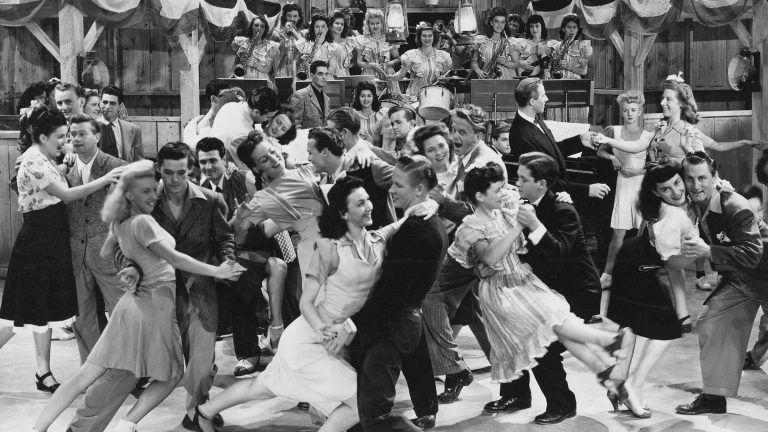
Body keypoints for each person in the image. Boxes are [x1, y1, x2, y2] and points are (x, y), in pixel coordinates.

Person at [33, 160, 245, 432]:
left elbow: (106, 251)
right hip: (153, 306)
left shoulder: (120, 221)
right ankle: (126, 424)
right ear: (130, 194)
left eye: (153, 189)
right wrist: (217, 271)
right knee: (171, 376)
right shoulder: (143, 221)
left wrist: (135, 265)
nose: (153, 195)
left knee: (86, 375)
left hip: (133, 306)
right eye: (145, 191)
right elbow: (175, 259)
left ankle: (39, 428)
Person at [195, 176, 409, 432]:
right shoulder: (328, 249)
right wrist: (324, 330)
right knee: (362, 400)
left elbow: (398, 225)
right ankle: (202, 414)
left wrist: (422, 207)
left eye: (368, 200)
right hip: (307, 342)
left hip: (329, 342)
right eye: (360, 203)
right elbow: (306, 302)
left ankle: (204, 412)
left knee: (261, 387)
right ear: (343, 213)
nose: (370, 206)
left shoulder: (376, 240)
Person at [454, 162, 633, 420]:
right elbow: (489, 256)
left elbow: (542, 227)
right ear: (481, 196)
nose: (510, 189)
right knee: (519, 343)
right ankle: (524, 393)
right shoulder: (477, 223)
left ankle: (576, 387)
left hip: (536, 283)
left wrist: (562, 197)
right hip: (502, 291)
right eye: (499, 188)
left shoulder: (523, 207)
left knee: (544, 336)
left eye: (513, 183)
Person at [0, 107, 123, 392]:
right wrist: (105, 179)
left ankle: (43, 372)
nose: (65, 141)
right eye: (60, 136)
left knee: (40, 314)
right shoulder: (32, 160)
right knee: (20, 314)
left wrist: (67, 156)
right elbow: (66, 195)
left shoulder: (44, 156)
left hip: (51, 241)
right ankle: (43, 372)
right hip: (37, 243)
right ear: (43, 137)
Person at [481, 153, 601, 423]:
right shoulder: (526, 205)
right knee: (513, 329)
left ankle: (563, 404)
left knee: (542, 344)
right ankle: (516, 395)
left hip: (576, 293)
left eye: (524, 179)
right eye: (518, 178)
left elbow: (559, 253)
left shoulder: (563, 210)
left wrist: (534, 224)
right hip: (544, 289)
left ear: (542, 184)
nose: (517, 183)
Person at [351, 155, 446, 432]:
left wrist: (357, 321)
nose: (391, 190)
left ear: (419, 189)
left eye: (399, 185)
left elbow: (391, 291)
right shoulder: (424, 222)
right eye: (392, 183)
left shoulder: (416, 230)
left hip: (391, 325)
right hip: (401, 321)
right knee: (371, 416)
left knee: (375, 417)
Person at [675, 151, 768, 415]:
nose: (696, 185)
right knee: (711, 322)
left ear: (714, 177)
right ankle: (714, 397)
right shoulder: (695, 202)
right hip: (744, 278)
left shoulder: (734, 205)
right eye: (690, 179)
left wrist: (708, 251)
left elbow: (751, 254)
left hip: (762, 271)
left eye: (702, 178)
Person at [607, 161, 697, 418]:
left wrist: (682, 308)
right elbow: (673, 265)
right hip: (638, 268)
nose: (676, 191)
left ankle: (617, 383)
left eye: (677, 183)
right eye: (666, 189)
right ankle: (631, 386)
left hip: (633, 260)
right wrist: (682, 310)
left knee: (634, 328)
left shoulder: (671, 207)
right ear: (656, 192)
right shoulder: (674, 217)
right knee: (666, 330)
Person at [196, 137, 288, 376]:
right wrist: (236, 224)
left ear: (224, 159)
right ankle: (248, 349)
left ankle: (250, 350)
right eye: (203, 162)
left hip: (256, 243)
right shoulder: (198, 189)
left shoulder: (244, 179)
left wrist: (244, 222)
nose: (208, 167)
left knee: (240, 275)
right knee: (231, 276)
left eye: (213, 161)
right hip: (223, 249)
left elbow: (267, 213)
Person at [64, 114, 128, 362]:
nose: (76, 139)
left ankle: (132, 370)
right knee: (83, 318)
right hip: (76, 255)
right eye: (72, 134)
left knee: (124, 312)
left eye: (82, 133)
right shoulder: (64, 170)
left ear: (97, 137)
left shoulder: (116, 166)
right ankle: (91, 369)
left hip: (110, 254)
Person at [509, 77, 609, 203]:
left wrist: (580, 141)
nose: (547, 99)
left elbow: (551, 152)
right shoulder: (521, 135)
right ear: (532, 101)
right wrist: (586, 190)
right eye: (543, 95)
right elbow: (543, 180)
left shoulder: (534, 119)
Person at [595, 91, 651, 304]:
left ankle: (639, 271)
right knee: (618, 233)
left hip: (641, 185)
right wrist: (611, 157)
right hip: (623, 184)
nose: (629, 114)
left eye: (633, 110)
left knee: (642, 232)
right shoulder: (613, 130)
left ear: (640, 112)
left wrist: (638, 171)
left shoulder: (647, 135)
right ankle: (607, 275)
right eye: (626, 110)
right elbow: (600, 151)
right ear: (622, 111)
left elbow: (652, 163)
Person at [326, 108, 396, 229]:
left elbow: (408, 177)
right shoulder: (348, 155)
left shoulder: (369, 160)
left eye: (332, 132)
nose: (329, 137)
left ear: (344, 133)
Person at [210, 87, 281, 168]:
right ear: (256, 112)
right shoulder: (244, 134)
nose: (267, 121)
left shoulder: (230, 105)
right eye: (267, 117)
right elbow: (249, 171)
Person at [393, 22, 452, 98]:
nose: (427, 38)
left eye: (430, 36)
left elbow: (447, 78)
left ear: (434, 37)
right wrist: (389, 77)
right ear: (419, 38)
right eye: (424, 36)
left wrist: (444, 79)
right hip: (415, 96)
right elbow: (400, 74)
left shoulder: (442, 56)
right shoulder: (412, 55)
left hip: (435, 96)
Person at [355, 9, 401, 94]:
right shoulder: (362, 40)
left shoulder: (389, 39)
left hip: (387, 75)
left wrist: (388, 64)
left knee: (389, 100)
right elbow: (359, 62)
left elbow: (398, 59)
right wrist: (372, 65)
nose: (375, 26)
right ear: (368, 25)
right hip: (369, 75)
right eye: (372, 23)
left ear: (382, 24)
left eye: (377, 23)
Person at [98, 85, 143, 162]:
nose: (107, 106)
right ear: (100, 103)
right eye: (104, 102)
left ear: (120, 106)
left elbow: (139, 161)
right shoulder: (91, 126)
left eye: (112, 103)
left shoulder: (134, 130)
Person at [231, 15, 280, 82]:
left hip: (262, 81)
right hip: (245, 80)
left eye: (262, 26)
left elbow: (267, 69)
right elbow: (235, 65)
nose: (259, 28)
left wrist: (255, 64)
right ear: (251, 27)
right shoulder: (244, 43)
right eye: (256, 25)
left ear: (265, 29)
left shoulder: (269, 46)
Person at [471, 7, 516, 80]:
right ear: (491, 22)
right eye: (496, 21)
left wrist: (505, 63)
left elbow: (516, 64)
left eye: (502, 22)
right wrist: (478, 71)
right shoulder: (481, 41)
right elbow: (474, 61)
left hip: (505, 79)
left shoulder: (510, 42)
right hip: (486, 78)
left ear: (505, 24)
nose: (499, 25)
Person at [182, 79, 230, 147]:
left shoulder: (230, 115)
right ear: (214, 99)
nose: (230, 98)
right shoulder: (203, 125)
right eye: (225, 96)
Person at [290, 60, 331, 129]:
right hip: (305, 135)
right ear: (312, 76)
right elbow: (295, 124)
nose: (324, 77)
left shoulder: (327, 99)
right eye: (320, 74)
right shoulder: (300, 95)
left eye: (326, 74)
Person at [550, 14, 592, 79]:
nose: (572, 30)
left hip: (574, 83)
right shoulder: (556, 46)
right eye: (569, 27)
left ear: (577, 29)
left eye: (574, 27)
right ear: (563, 29)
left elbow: (584, 71)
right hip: (558, 82)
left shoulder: (581, 46)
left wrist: (569, 67)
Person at [272, 3, 306, 78]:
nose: (292, 19)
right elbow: (273, 56)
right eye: (289, 16)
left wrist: (294, 32)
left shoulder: (303, 34)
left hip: (298, 72)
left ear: (299, 17)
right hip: (281, 72)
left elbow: (305, 50)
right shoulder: (276, 33)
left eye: (295, 16)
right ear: (285, 17)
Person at [297, 15, 335, 80]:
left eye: (323, 26)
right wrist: (303, 62)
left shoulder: (333, 47)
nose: (320, 29)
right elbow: (295, 64)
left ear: (327, 28)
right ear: (313, 29)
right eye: (317, 27)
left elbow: (332, 70)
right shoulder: (305, 43)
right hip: (307, 79)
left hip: (325, 79)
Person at [329, 11, 355, 77]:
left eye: (342, 24)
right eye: (337, 23)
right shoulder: (326, 43)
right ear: (331, 25)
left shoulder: (348, 42)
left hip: (345, 77)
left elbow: (355, 59)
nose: (339, 26)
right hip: (330, 77)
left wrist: (350, 65)